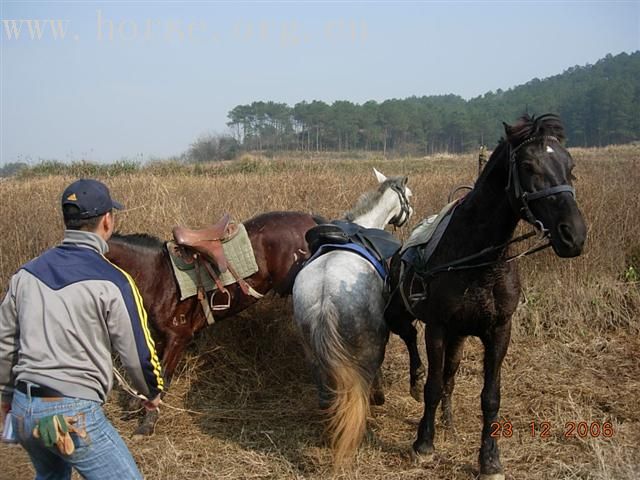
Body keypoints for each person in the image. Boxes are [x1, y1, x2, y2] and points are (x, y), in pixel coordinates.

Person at [0, 178, 164, 479]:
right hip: (66, 414)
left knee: (51, 476)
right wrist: (151, 390)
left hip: (24, 413)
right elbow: (137, 350)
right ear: (107, 220)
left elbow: (5, 344)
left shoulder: (25, 274)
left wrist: (5, 396)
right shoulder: (114, 281)